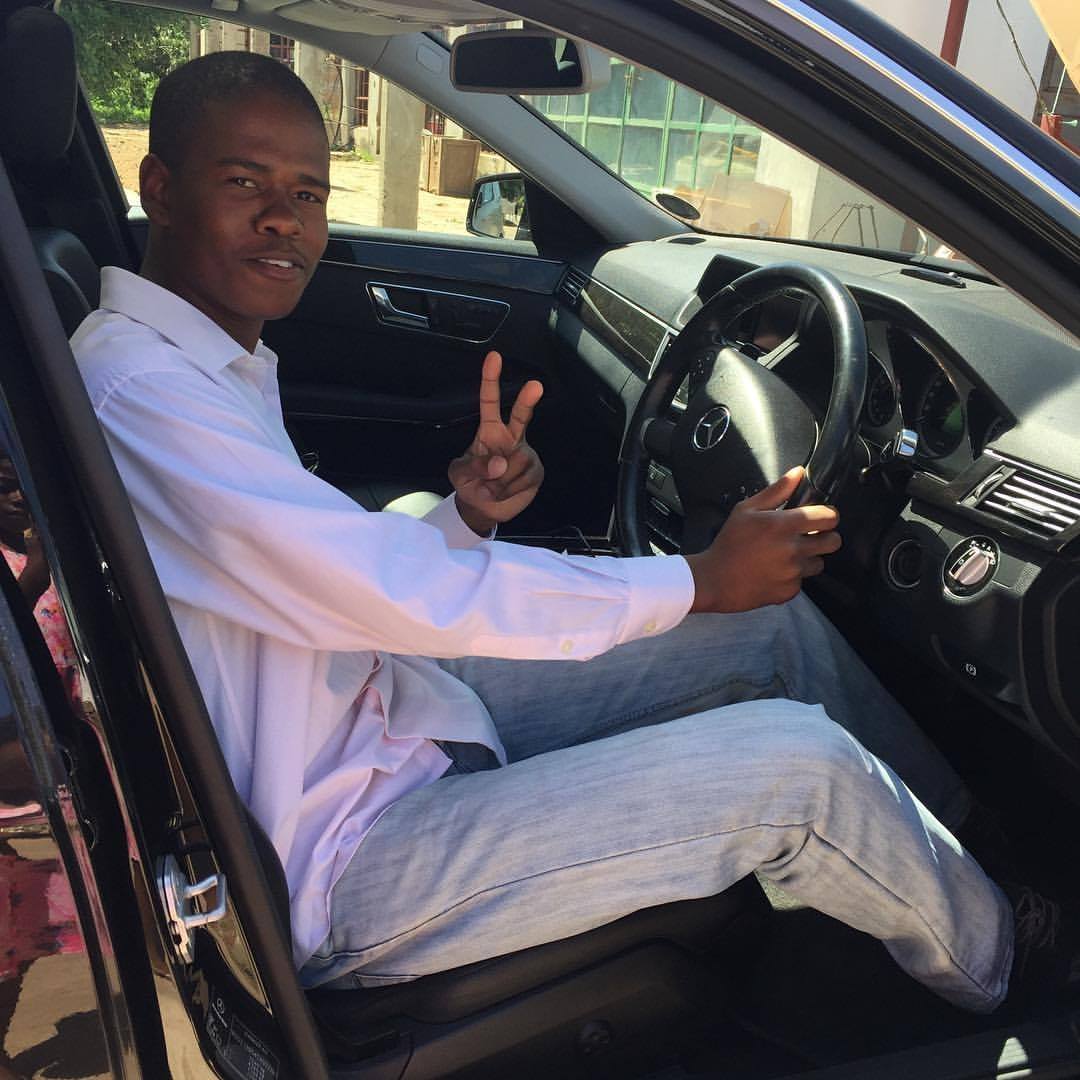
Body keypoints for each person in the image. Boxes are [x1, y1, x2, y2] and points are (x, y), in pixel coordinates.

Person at [69, 51, 1063, 1014]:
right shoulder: (141, 390)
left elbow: (306, 576)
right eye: (244, 183)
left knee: (769, 629)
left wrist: (465, 515)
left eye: (310, 193)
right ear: (160, 188)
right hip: (344, 854)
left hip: (386, 715)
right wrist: (696, 579)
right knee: (805, 773)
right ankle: (1007, 965)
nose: (285, 218)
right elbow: (367, 582)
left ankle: (968, 853)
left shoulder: (207, 361)